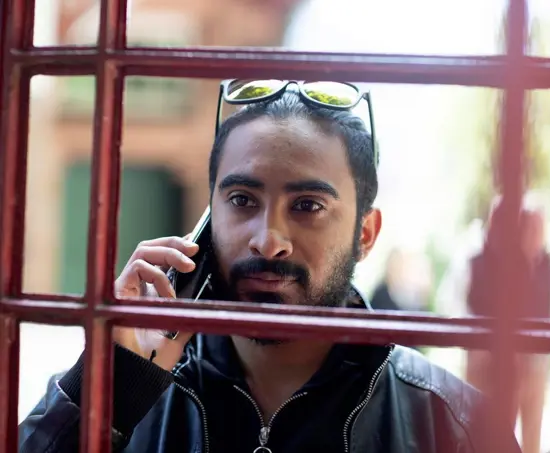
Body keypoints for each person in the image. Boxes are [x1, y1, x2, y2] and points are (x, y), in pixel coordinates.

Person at [18, 85, 521, 453]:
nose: (268, 240)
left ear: (364, 235)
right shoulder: (130, 395)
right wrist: (106, 392)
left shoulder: (457, 423)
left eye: (307, 205)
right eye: (242, 199)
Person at [465, 197, 550, 453]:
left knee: (532, 427)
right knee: (491, 427)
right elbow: (478, 305)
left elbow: (544, 308)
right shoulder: (482, 261)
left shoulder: (546, 264)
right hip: (489, 355)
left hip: (530, 354)